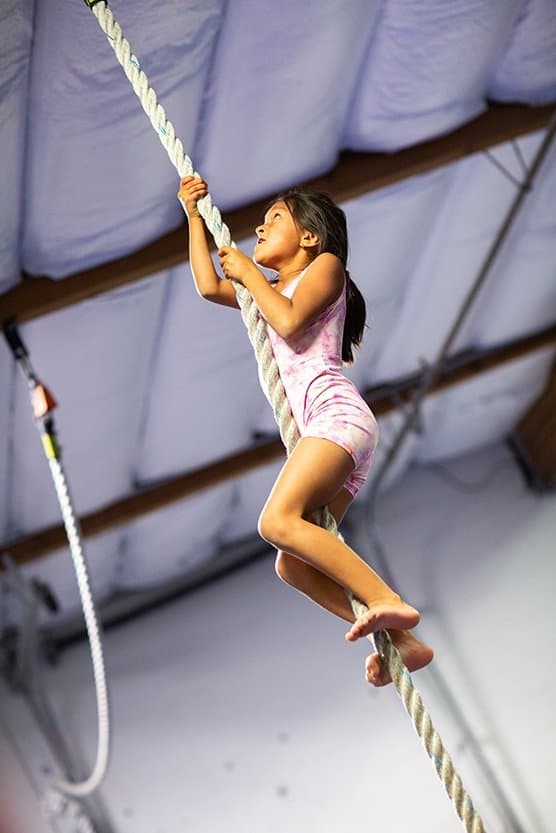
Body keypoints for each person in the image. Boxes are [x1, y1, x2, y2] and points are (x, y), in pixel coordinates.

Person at [178, 176, 433, 686]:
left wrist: (250, 274)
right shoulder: (266, 292)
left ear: (310, 237)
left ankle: (387, 599)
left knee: (276, 522)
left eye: (274, 218)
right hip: (334, 434)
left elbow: (291, 322)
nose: (259, 226)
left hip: (338, 420)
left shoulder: (326, 269)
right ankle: (401, 641)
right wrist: (192, 217)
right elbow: (208, 286)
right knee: (292, 565)